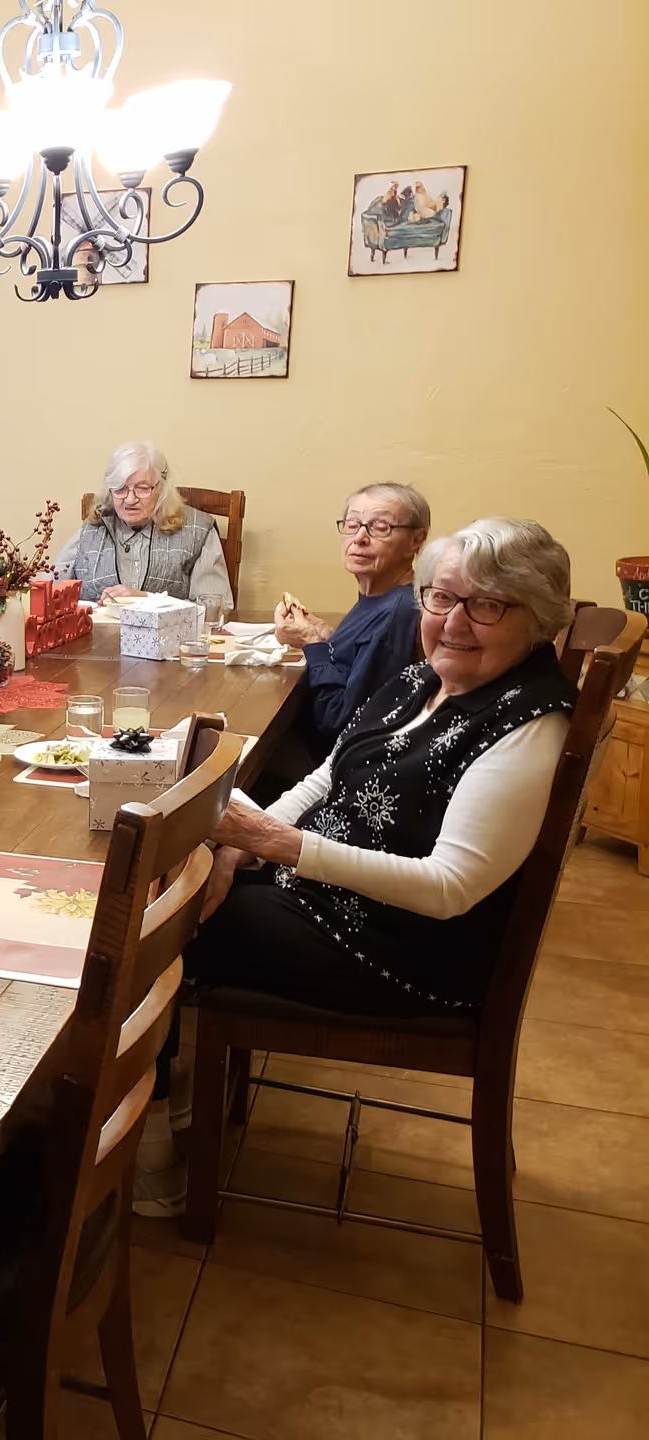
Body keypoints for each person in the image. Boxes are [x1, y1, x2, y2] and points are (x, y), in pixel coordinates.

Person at [137, 518, 578, 1215]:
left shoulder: (528, 723)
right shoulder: (424, 677)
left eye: (486, 604)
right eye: (440, 598)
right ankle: (167, 1079)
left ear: (539, 619)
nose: (454, 622)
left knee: (155, 924)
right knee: (183, 875)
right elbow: (327, 779)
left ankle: (149, 1140)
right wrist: (236, 845)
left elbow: (448, 890)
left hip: (402, 945)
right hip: (328, 895)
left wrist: (274, 845)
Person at [274, 483, 430, 762]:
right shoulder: (380, 597)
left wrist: (314, 643)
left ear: (416, 540)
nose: (359, 538)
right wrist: (327, 637)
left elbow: (339, 725)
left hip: (327, 764)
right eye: (352, 524)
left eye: (380, 527)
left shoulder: (397, 612)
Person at [53, 441, 234, 611]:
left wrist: (146, 599)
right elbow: (49, 595)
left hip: (171, 642)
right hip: (98, 642)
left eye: (143, 488)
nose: (130, 500)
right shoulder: (92, 529)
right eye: (120, 489)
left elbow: (216, 608)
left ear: (162, 489)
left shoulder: (198, 530)